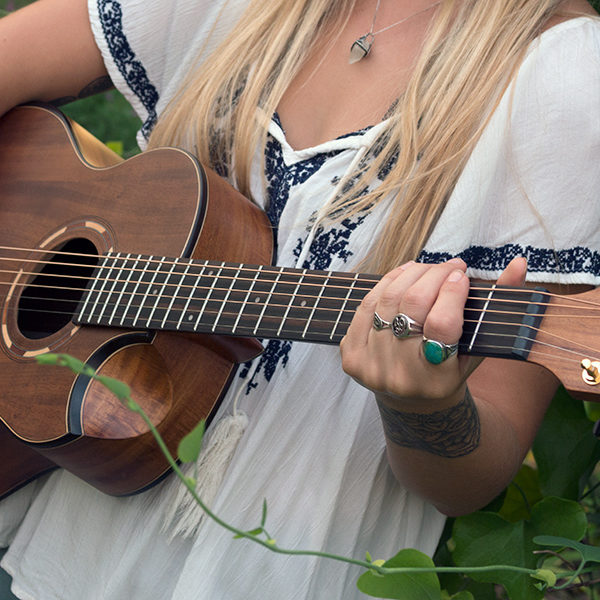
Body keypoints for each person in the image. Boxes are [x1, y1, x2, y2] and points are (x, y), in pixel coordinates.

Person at [0, 0, 599, 598]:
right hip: (58, 538)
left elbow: (470, 481)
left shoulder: (567, 77)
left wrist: (424, 410)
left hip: (282, 569)